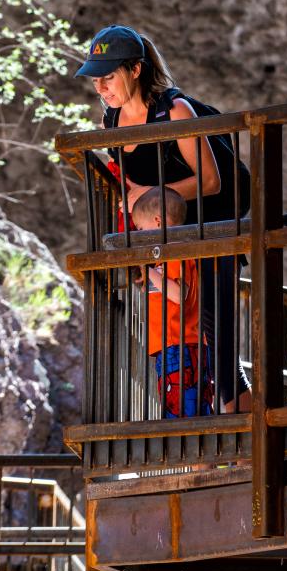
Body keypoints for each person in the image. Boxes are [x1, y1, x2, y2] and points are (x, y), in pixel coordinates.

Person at [76, 24, 252, 412]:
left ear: (135, 70)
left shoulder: (174, 110)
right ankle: (234, 437)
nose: (100, 88)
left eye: (107, 77)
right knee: (191, 352)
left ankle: (245, 443)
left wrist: (147, 195)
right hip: (171, 246)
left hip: (213, 234)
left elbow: (210, 181)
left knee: (217, 344)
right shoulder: (112, 123)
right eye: (95, 80)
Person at [131, 186, 213, 418]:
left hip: (181, 344)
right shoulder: (166, 256)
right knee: (175, 406)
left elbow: (179, 294)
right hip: (171, 344)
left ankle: (193, 449)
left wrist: (148, 271)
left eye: (140, 228)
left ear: (157, 221)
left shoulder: (175, 251)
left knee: (185, 409)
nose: (138, 235)